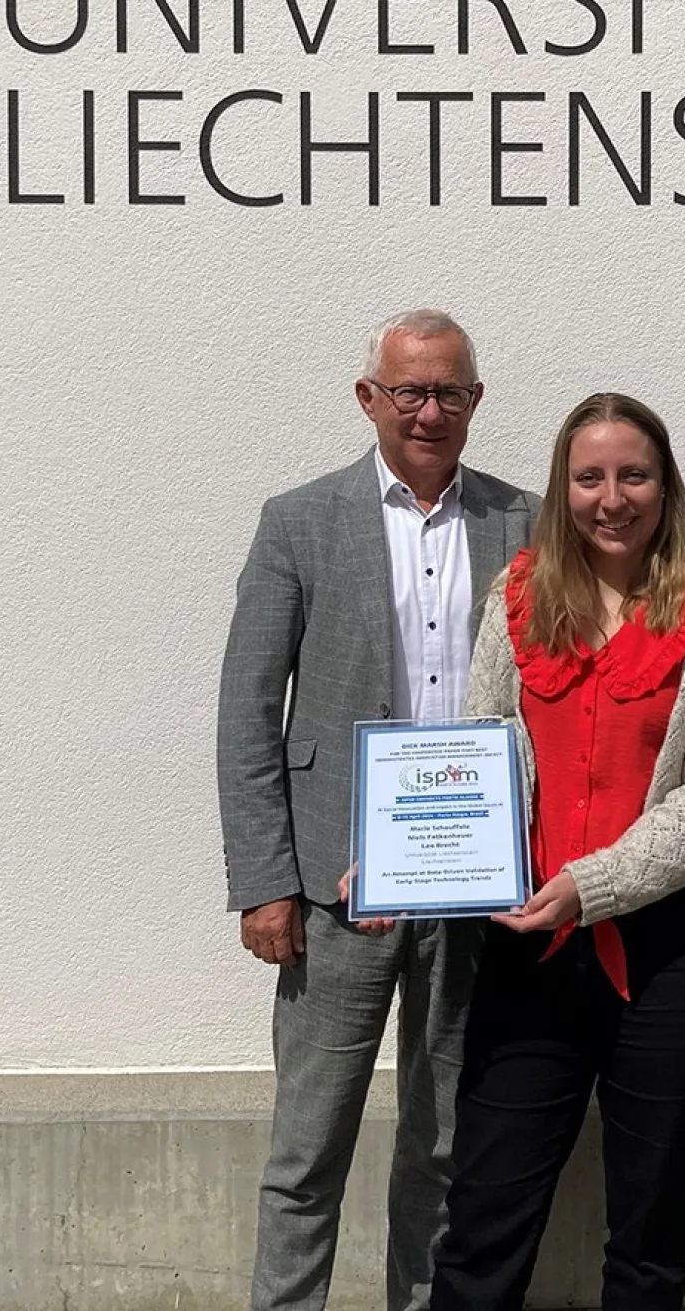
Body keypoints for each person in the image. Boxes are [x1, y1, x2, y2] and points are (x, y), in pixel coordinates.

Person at [217, 308, 539, 1311]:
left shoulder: (525, 523)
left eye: (451, 392)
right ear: (371, 399)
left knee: (444, 1148)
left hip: (477, 888)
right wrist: (266, 882)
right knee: (308, 1150)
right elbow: (247, 710)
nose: (430, 410)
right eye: (411, 391)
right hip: (331, 890)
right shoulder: (299, 522)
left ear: (476, 402)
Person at [424, 392, 685, 1311]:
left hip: (679, 955)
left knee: (651, 1237)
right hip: (529, 948)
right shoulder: (519, 596)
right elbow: (480, 748)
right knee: (483, 1217)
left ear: (665, 489)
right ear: (561, 487)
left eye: (633, 475)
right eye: (589, 477)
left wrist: (595, 884)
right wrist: (407, 856)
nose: (610, 497)